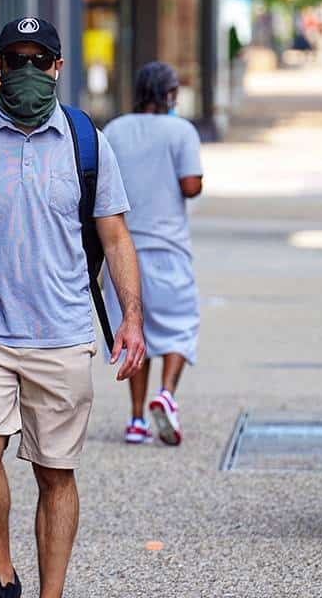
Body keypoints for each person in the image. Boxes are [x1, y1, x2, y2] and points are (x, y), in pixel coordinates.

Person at [0, 16, 146, 598]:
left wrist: (131, 318)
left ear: (58, 68)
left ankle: (51, 594)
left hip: (62, 332)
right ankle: (3, 575)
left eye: (40, 60)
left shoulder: (89, 143)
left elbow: (115, 237)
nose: (29, 71)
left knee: (55, 472)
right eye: (16, 60)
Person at [103, 62, 203, 446]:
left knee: (134, 332)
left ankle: (135, 420)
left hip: (123, 249)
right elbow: (191, 185)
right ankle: (167, 395)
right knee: (179, 326)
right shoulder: (181, 131)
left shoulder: (114, 130)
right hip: (168, 249)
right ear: (168, 94)